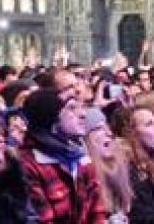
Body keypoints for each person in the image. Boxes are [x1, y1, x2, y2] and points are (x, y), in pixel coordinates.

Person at [17, 88, 100, 224]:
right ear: (51, 118)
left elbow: (98, 210)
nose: (83, 114)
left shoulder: (80, 156)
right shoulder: (27, 165)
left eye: (81, 107)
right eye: (72, 108)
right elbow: (42, 220)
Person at [83, 107, 132, 221]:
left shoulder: (123, 167)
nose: (109, 133)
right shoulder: (84, 179)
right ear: (85, 139)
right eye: (99, 128)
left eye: (107, 127)